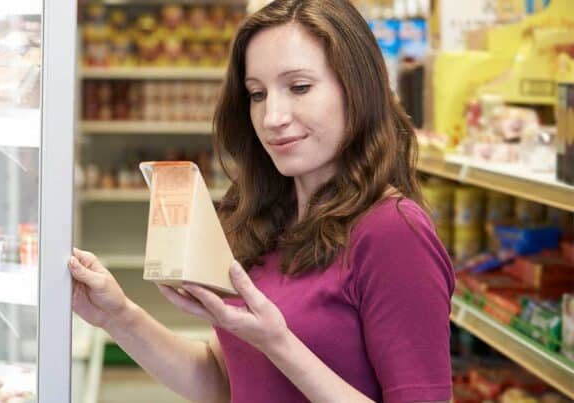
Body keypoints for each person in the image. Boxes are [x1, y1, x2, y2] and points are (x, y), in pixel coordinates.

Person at [68, 0, 455, 401]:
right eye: (257, 94)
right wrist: (118, 316)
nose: (272, 116)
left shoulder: (392, 231)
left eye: (299, 87)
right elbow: (224, 379)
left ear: (358, 89)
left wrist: (279, 343)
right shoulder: (266, 221)